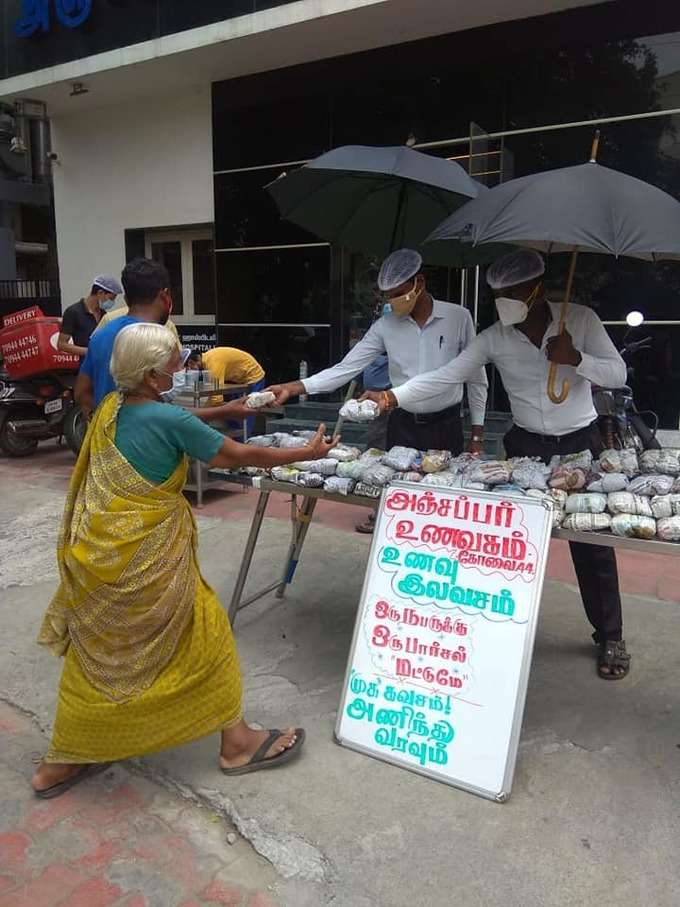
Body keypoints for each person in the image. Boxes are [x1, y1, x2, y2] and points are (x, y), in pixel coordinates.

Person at [31, 322, 339, 799]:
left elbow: (170, 419)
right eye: (174, 362)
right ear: (153, 375)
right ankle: (237, 743)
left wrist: (228, 407)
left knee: (98, 656)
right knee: (208, 630)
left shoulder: (113, 407)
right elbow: (234, 455)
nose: (183, 365)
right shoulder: (170, 420)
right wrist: (307, 452)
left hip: (101, 560)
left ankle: (64, 759)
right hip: (150, 562)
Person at [362, 249, 630, 680]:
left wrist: (578, 359)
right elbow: (448, 375)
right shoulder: (494, 336)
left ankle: (610, 635)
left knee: (592, 543)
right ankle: (507, 631)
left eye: (513, 292)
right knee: (514, 546)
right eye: (497, 293)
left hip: (581, 443)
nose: (504, 300)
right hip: (524, 447)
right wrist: (394, 397)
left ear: (537, 288)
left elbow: (618, 373)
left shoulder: (580, 320)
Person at [268, 249, 488, 533]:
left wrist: (478, 433)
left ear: (419, 283)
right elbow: (345, 369)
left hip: (446, 426)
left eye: (398, 293)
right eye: (387, 295)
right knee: (401, 509)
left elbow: (477, 377)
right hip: (403, 426)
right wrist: (295, 386)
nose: (391, 301)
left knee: (444, 511)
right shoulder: (385, 326)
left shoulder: (459, 317)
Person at [57, 275, 123, 358]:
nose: (112, 302)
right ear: (100, 293)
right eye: (111, 298)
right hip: (86, 363)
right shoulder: (73, 312)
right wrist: (89, 352)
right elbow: (61, 344)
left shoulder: (104, 314)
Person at [95, 293, 182, 346]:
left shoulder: (109, 319)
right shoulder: (166, 324)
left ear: (126, 299)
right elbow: (178, 359)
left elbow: (93, 351)